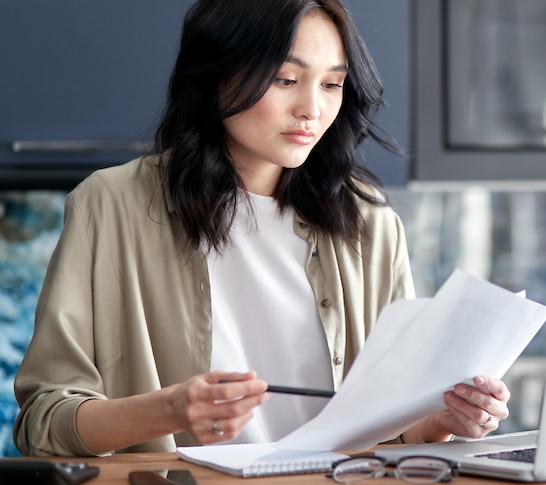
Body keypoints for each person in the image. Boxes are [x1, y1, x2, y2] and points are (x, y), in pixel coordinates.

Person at [13, 0, 510, 457]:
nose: (312, 110)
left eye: (332, 84)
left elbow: (396, 432)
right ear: (216, 76)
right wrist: (168, 411)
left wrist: (443, 420)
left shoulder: (371, 223)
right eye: (285, 79)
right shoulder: (111, 205)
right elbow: (43, 422)